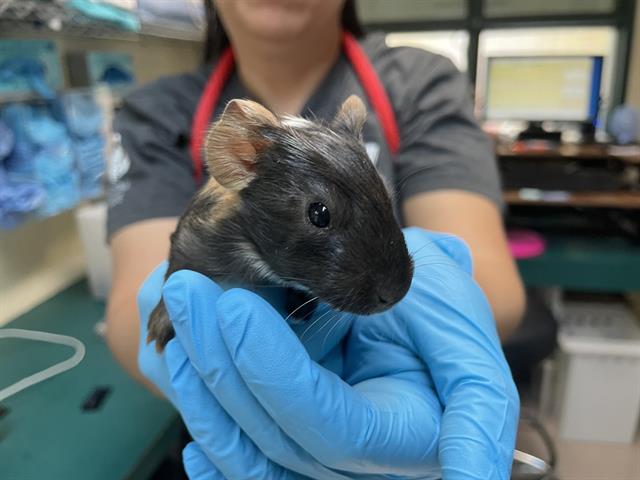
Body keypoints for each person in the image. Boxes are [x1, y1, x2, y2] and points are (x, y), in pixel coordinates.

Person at [105, 1, 524, 478]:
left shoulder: (418, 80)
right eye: (320, 215)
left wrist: (439, 306)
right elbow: (129, 321)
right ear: (237, 155)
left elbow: (498, 288)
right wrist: (188, 341)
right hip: (224, 439)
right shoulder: (156, 111)